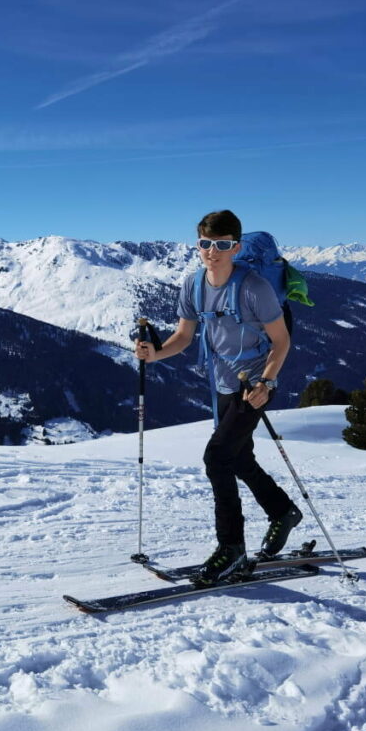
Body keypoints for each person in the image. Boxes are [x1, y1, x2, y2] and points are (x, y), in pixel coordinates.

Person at [135, 209, 302, 585]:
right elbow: (182, 337)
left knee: (217, 457)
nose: (213, 251)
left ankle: (231, 548)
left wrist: (267, 384)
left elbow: (281, 340)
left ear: (236, 247)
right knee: (239, 457)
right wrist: (154, 354)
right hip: (223, 380)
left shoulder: (254, 287)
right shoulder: (194, 285)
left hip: (255, 383)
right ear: (198, 246)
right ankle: (282, 511)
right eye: (206, 244)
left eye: (222, 245)